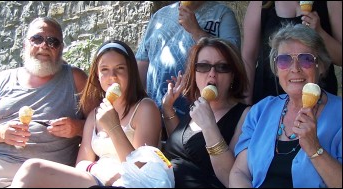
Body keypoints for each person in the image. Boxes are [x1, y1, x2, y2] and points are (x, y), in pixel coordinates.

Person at [9, 39, 162, 187]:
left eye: (120, 68)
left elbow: (141, 170)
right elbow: (81, 164)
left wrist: (113, 127)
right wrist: (97, 169)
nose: (112, 76)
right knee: (32, 169)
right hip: (95, 180)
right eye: (104, 70)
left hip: (128, 182)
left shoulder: (145, 108)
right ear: (97, 75)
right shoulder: (95, 114)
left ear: (131, 72)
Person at [229, 23, 342, 188]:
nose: (295, 68)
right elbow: (240, 172)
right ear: (276, 68)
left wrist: (314, 149)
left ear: (322, 66)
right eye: (284, 60)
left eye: (306, 59)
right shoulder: (261, 110)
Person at [0, 17, 88, 188]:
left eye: (53, 41)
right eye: (37, 39)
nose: (44, 45)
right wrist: (1, 133)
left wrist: (78, 128)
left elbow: (104, 125)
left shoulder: (75, 79)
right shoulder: (2, 80)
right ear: (24, 44)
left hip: (45, 175)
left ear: (61, 49)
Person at [162, 37, 250, 188]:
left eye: (222, 67)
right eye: (203, 66)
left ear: (233, 76)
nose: (212, 73)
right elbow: (180, 147)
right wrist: (168, 108)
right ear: (194, 73)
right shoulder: (196, 108)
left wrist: (209, 127)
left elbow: (232, 179)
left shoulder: (245, 115)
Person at [136, 1, 241, 124]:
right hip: (154, 115)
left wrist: (196, 31)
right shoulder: (159, 16)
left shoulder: (223, 15)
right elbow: (143, 62)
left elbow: (232, 58)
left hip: (198, 119)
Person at [242, 1, 342, 105]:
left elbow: (340, 57)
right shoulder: (260, 4)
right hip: (268, 95)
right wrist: (245, 103)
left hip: (317, 95)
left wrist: (320, 32)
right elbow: (248, 58)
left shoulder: (331, 3)